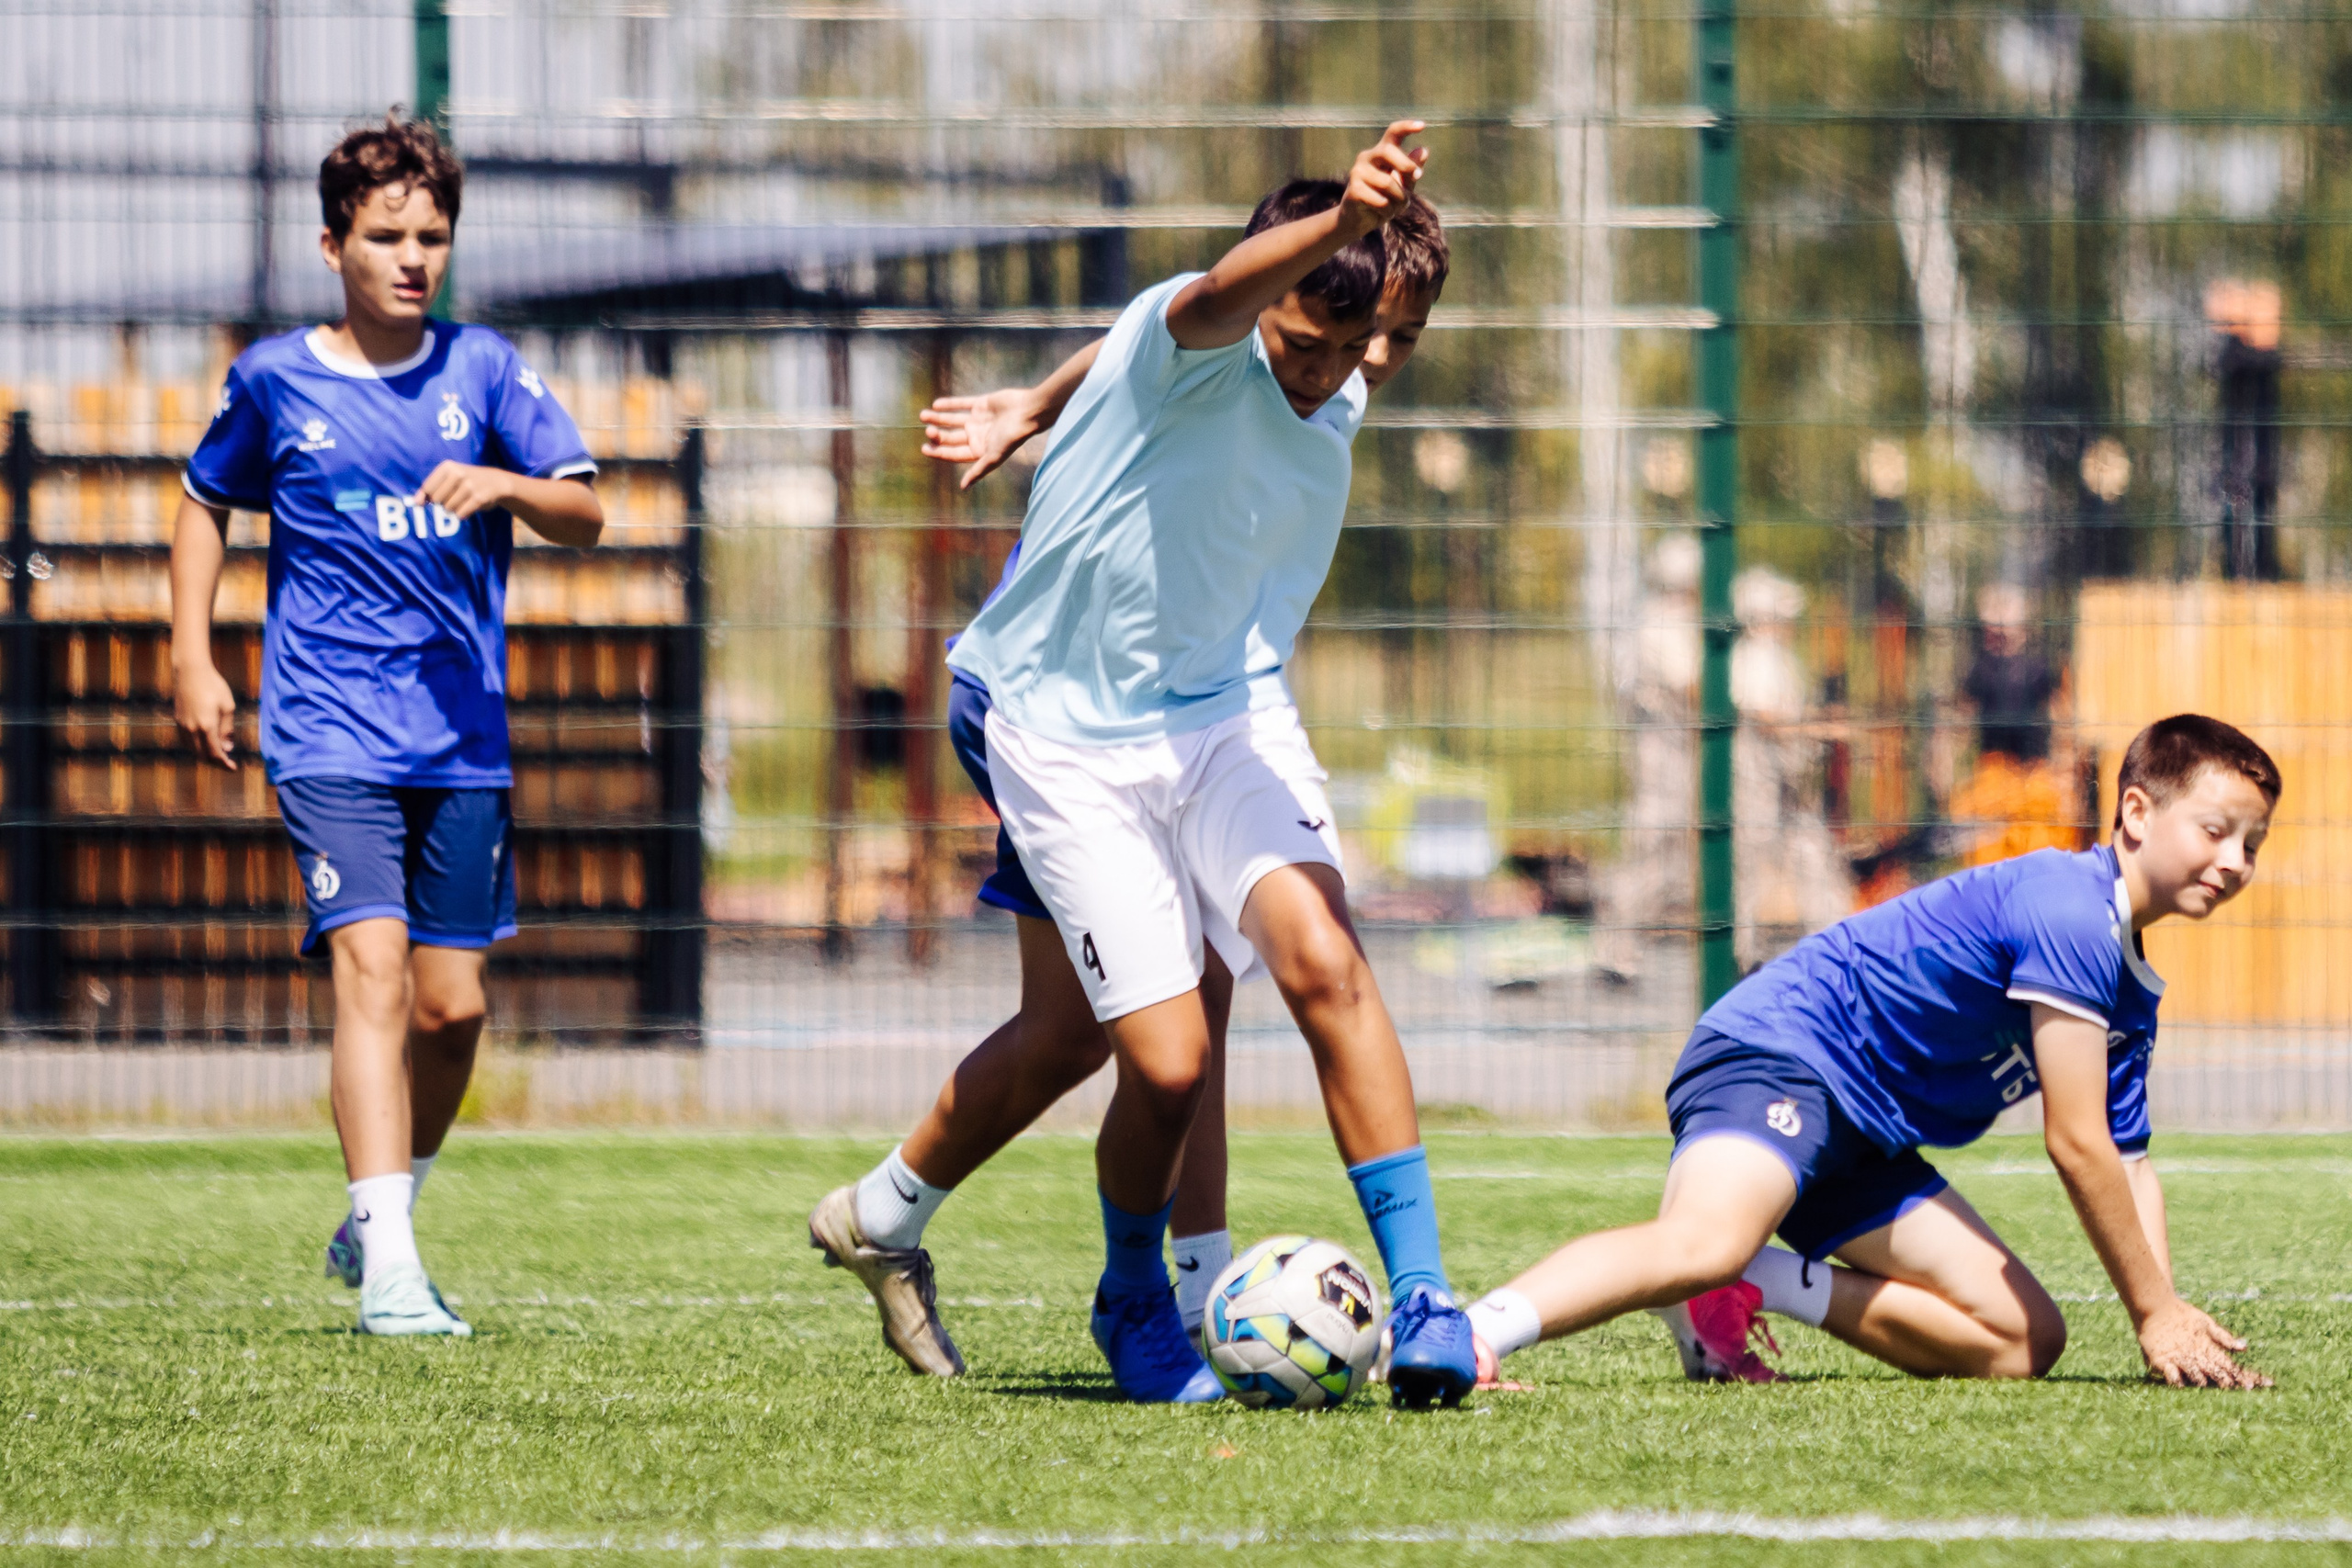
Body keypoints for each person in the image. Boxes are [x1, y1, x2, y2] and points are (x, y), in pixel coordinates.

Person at [808, 197, 1450, 1382]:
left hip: (1212, 714)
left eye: (1375, 343)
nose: (1338, 371)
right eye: (1305, 340)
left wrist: (1036, 403)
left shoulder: (1338, 373)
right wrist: (1343, 217)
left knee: (1261, 977)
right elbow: (1185, 307)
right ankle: (1141, 1296)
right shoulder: (1209, 343)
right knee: (1160, 1053)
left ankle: (1423, 1303)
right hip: (1053, 727)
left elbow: (1147, 334)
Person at [1462, 714, 2278, 1392]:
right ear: (2135, 812)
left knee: (2024, 1340)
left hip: (1865, 1135)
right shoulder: (2071, 912)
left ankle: (1752, 1281)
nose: (2234, 861)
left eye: (2253, 844)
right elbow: (2077, 1142)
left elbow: (2129, 1165)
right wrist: (2151, 1312)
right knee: (1703, 1240)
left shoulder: (2129, 986)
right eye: (2216, 830)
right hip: (1779, 1056)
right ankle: (1470, 1332)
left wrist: (2167, 1316)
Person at [171, 115, 603, 1337]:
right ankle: (398, 1275)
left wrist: (508, 484)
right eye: (385, 236)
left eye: (432, 237)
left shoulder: (486, 371)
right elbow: (203, 503)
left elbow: (588, 513)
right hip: (326, 731)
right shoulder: (273, 380)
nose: (412, 258)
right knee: (370, 968)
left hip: (462, 739)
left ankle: (376, 1213)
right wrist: (191, 656)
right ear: (334, 246)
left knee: (452, 1008)